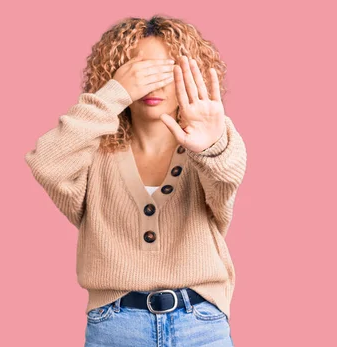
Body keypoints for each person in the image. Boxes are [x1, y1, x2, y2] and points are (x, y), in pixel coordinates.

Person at [24, 15, 246, 346]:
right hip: (114, 326)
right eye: (139, 73)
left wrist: (211, 146)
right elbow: (46, 162)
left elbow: (225, 182)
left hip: (201, 324)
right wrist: (114, 94)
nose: (154, 85)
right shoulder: (91, 151)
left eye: (167, 72)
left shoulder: (213, 142)